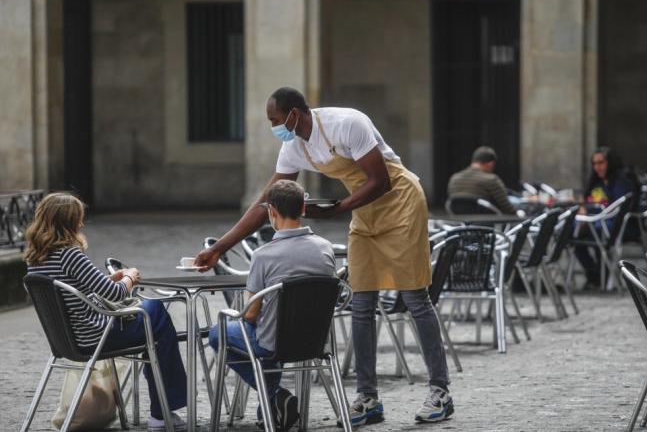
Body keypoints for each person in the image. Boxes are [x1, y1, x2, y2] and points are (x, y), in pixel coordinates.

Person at [195, 87, 453, 426]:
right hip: (364, 213)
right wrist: (219, 248)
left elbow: (381, 180)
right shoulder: (294, 146)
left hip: (400, 203)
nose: (273, 126)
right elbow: (266, 203)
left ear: (294, 115)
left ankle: (440, 391)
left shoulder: (347, 123)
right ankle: (368, 397)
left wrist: (339, 208)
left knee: (415, 297)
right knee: (361, 304)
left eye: (275, 119)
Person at [24, 193, 187, 432]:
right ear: (68, 222)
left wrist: (109, 279)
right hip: (95, 336)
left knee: (154, 321)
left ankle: (163, 410)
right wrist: (130, 277)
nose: (81, 224)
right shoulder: (69, 253)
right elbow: (115, 294)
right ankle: (162, 412)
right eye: (78, 219)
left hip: (66, 339)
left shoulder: (36, 258)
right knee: (155, 312)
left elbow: (72, 288)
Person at [208, 180, 335, 431]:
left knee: (218, 333)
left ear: (272, 212)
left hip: (274, 343)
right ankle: (272, 409)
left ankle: (275, 397)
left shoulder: (263, 255)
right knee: (268, 337)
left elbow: (251, 314)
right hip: (314, 340)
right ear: (303, 209)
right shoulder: (325, 248)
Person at [575, 146, 640, 286]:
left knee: (597, 232)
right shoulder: (596, 181)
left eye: (601, 162)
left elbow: (619, 207)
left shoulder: (622, 179)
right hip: (596, 222)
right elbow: (586, 199)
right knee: (572, 235)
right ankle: (593, 274)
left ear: (610, 162)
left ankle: (601, 277)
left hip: (620, 225)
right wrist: (583, 208)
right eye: (594, 164)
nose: (597, 167)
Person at [446, 146, 517, 214]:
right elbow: (507, 207)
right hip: (487, 224)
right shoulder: (491, 179)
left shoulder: (454, 178)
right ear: (491, 164)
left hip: (460, 223)